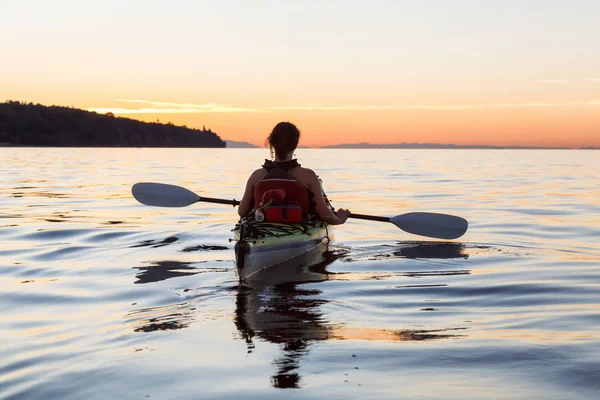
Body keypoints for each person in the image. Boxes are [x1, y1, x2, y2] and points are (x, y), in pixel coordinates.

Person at [238, 122, 350, 225]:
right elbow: (326, 215)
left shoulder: (256, 176)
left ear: (271, 143)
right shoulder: (308, 176)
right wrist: (340, 219)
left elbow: (242, 211)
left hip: (261, 228)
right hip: (298, 229)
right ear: (295, 144)